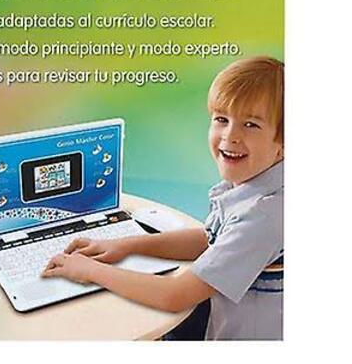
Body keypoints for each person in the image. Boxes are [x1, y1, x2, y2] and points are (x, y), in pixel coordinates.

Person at [41, 56, 283, 339]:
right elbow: (214, 240)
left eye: (251, 124)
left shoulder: (264, 215)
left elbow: (174, 295)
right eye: (221, 119)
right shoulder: (253, 181)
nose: (230, 136)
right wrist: (126, 245)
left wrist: (89, 271)